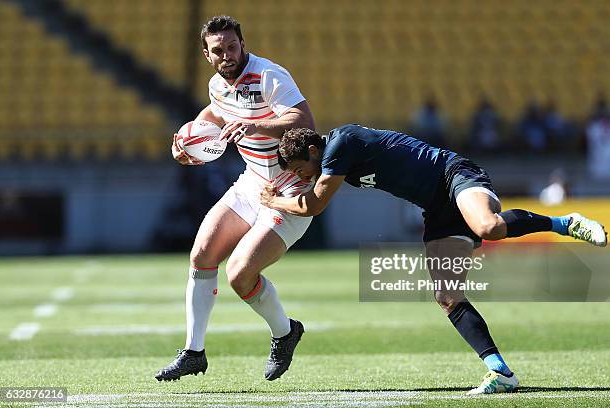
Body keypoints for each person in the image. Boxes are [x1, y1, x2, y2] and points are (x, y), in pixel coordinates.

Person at [260, 124, 607, 395]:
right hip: (436, 207)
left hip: (453, 174)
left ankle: (566, 222)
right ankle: (501, 372)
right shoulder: (334, 156)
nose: (300, 177)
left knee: (489, 226)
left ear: (311, 150)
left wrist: (273, 202)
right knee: (447, 296)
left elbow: (315, 204)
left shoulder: (340, 144)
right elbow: (313, 194)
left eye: (300, 169)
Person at [155, 16, 315, 382]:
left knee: (240, 275)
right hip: (251, 184)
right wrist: (188, 139)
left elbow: (304, 121)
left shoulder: (270, 75)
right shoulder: (216, 85)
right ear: (207, 54)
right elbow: (216, 110)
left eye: (232, 46)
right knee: (201, 254)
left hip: (289, 189)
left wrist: (255, 125)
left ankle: (285, 332)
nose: (226, 54)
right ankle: (193, 352)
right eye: (218, 50)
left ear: (243, 44)